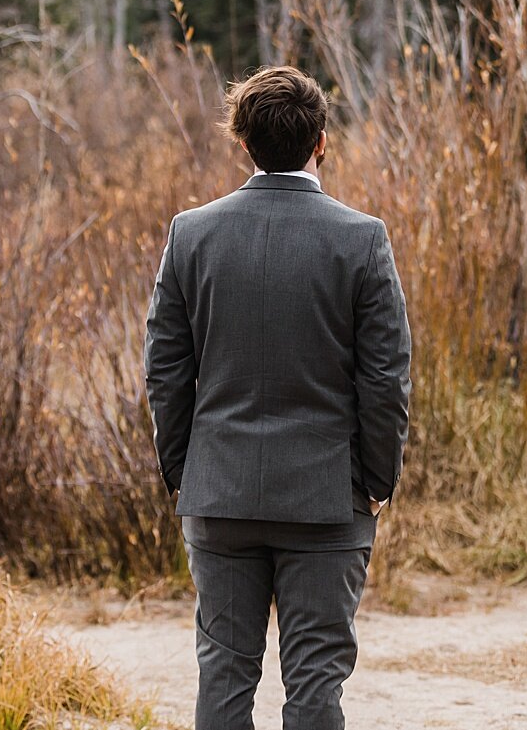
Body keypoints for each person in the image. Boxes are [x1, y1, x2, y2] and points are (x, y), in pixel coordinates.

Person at [144, 64, 412, 730]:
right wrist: (376, 479)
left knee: (225, 672)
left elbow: (166, 370)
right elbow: (385, 377)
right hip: (328, 499)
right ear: (322, 140)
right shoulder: (361, 238)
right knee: (317, 675)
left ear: (242, 142)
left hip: (220, 490)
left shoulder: (191, 233)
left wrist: (185, 470)